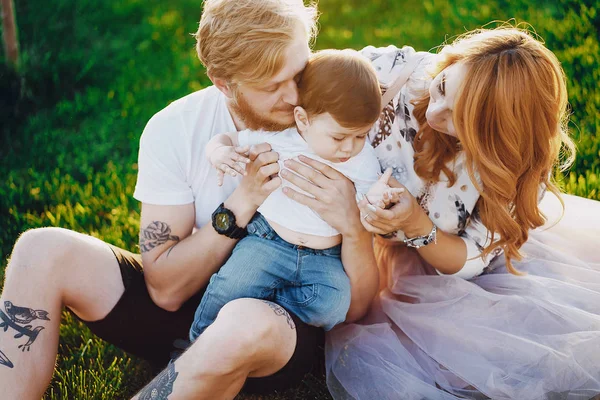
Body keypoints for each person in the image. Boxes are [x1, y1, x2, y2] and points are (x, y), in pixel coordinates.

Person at [0, 1, 380, 399]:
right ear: (223, 82)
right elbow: (165, 290)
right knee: (39, 248)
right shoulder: (175, 129)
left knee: (240, 321)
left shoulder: (341, 129)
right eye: (271, 86)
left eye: (299, 72)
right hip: (194, 306)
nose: (293, 97)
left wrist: (353, 225)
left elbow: (359, 309)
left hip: (277, 328)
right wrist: (242, 201)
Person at [325, 26, 600, 399]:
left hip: (435, 263)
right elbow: (298, 93)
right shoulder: (389, 73)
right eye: (442, 88)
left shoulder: (508, 166)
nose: (435, 114)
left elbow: (470, 260)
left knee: (490, 352)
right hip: (334, 232)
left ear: (498, 133)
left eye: (460, 119)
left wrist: (414, 224)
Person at [191, 49, 400, 338]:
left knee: (334, 304)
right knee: (232, 284)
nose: (350, 147)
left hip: (325, 255)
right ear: (302, 120)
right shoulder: (280, 137)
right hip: (269, 241)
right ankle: (197, 341)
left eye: (361, 135)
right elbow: (227, 138)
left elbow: (365, 203)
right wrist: (219, 152)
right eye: (339, 137)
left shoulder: (362, 159)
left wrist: (377, 199)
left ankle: (269, 308)